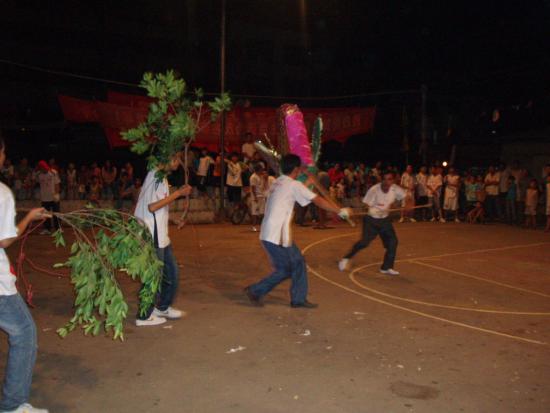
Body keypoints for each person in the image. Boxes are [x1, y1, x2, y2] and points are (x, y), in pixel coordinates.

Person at [244, 154, 351, 309]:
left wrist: (308, 181)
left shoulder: (278, 182)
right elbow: (317, 200)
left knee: (298, 262)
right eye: (300, 168)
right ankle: (255, 291)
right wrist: (339, 211)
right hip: (277, 236)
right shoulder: (293, 185)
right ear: (296, 169)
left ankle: (298, 299)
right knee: (285, 269)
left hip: (273, 233)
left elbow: (295, 193)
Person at [0, 137, 49, 413]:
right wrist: (29, 218)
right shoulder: (2, 192)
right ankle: (13, 404)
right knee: (25, 332)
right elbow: (5, 239)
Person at [134, 152, 192, 326]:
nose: (178, 162)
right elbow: (152, 207)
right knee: (153, 277)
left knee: (172, 274)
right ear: (167, 158)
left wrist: (173, 218)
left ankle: (162, 307)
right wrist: (178, 193)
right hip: (152, 235)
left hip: (161, 235)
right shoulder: (156, 176)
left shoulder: (161, 177)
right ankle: (143, 316)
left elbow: (157, 207)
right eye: (176, 158)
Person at [338, 171, 405, 275]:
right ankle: (346, 258)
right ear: (381, 180)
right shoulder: (374, 190)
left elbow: (406, 197)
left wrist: (407, 204)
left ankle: (386, 267)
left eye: (389, 179)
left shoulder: (395, 189)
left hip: (384, 220)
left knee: (393, 242)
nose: (387, 182)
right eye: (385, 179)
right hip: (371, 220)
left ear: (393, 180)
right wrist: (371, 210)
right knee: (364, 242)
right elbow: (365, 205)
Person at [36, 160, 60, 235]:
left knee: (56, 214)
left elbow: (57, 184)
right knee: (46, 215)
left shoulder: (53, 172)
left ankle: (58, 229)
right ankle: (47, 229)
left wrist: (57, 194)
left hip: (53, 197)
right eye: (41, 168)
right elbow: (35, 183)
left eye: (44, 168)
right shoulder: (38, 174)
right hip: (44, 198)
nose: (43, 169)